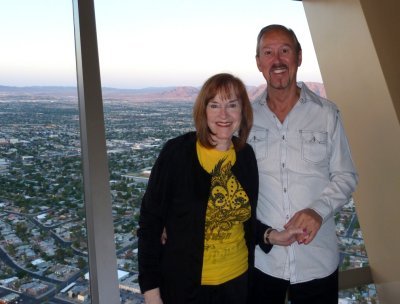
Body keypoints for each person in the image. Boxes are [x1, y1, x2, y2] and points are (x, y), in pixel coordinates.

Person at [137, 73, 301, 304]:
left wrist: (272, 235)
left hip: (238, 284)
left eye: (232, 105)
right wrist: (151, 292)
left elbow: (242, 220)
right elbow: (150, 224)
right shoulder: (177, 154)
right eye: (214, 105)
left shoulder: (245, 157)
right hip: (185, 288)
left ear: (242, 111)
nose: (223, 114)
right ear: (203, 111)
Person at [248, 24, 359, 304]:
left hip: (317, 262)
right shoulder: (246, 119)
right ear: (259, 62)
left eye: (285, 50)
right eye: (268, 52)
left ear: (299, 56)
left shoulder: (326, 114)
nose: (277, 60)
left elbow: (346, 176)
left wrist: (318, 210)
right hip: (264, 262)